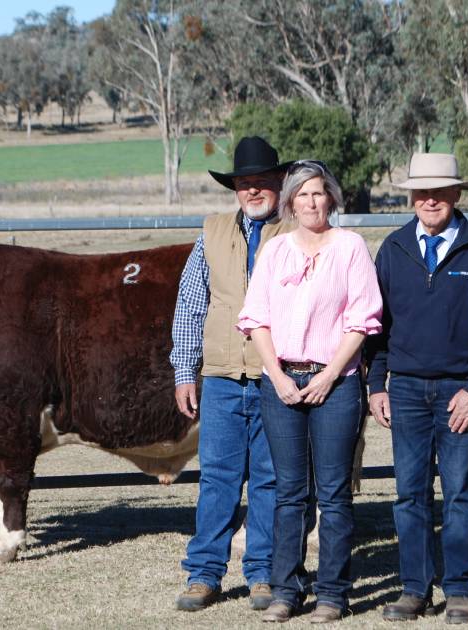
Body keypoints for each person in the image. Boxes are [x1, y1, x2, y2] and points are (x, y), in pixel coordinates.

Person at [366, 153, 468, 624]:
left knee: (460, 494)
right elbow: (378, 328)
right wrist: (376, 385)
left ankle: (460, 589)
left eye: (440, 191)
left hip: (460, 391)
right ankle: (414, 588)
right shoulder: (393, 250)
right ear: (411, 197)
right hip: (405, 389)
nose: (430, 200)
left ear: (456, 194)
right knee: (409, 494)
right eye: (421, 192)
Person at [238, 160, 383, 623]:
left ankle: (333, 593)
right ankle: (286, 589)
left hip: (335, 383)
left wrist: (329, 375)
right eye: (301, 195)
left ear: (332, 198)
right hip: (280, 382)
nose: (311, 202)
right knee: (289, 492)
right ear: (289, 202)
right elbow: (256, 317)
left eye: (318, 193)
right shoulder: (274, 250)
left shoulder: (350, 248)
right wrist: (277, 375)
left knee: (335, 493)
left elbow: (362, 319)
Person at [170, 136, 293, 612]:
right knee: (218, 477)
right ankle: (204, 574)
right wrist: (185, 370)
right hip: (221, 375)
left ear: (278, 183)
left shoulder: (295, 231)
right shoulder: (213, 233)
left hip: (276, 376)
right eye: (245, 183)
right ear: (235, 189)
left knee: (269, 478)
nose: (253, 190)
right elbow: (191, 303)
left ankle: (261, 573)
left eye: (262, 181)